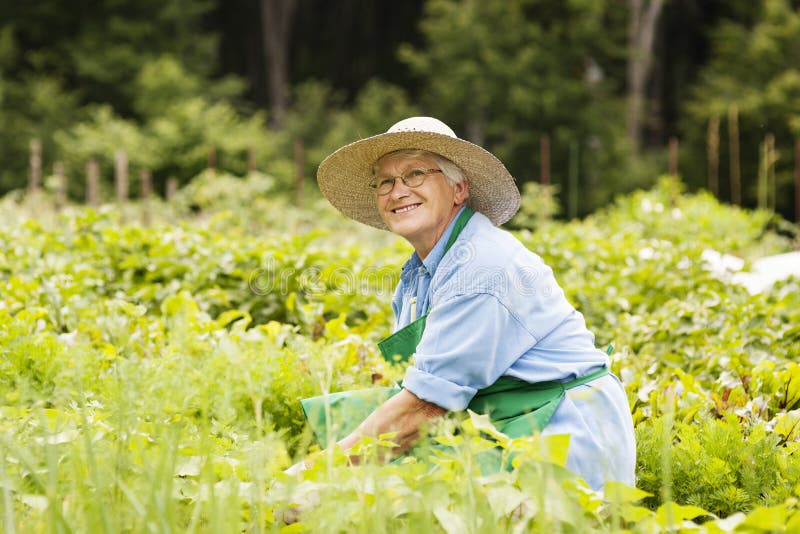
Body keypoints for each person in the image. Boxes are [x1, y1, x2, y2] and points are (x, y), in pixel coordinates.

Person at [292, 116, 636, 491]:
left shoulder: (482, 266)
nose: (397, 191)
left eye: (416, 174)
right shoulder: (419, 273)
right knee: (353, 418)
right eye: (386, 181)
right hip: (504, 414)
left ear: (458, 190)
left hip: (563, 433)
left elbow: (425, 407)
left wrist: (314, 475)